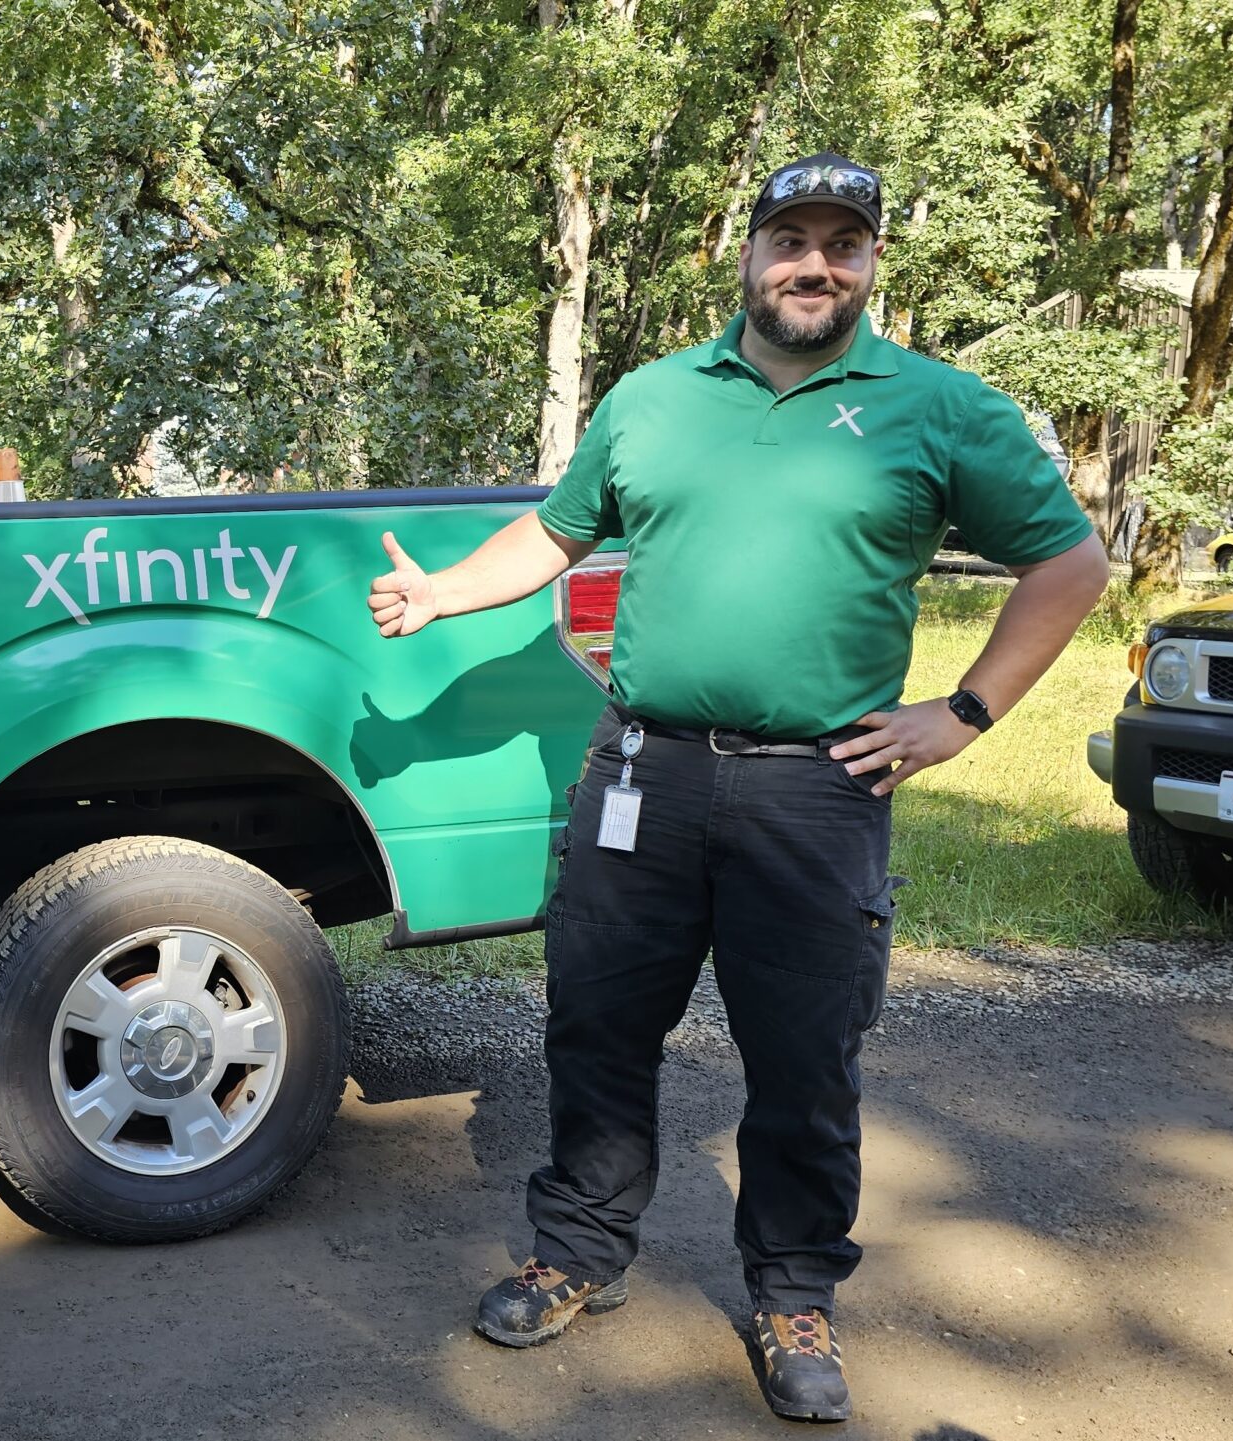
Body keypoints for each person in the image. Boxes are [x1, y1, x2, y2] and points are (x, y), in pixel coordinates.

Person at [364, 152, 1109, 1424]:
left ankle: (793, 1288)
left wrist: (964, 711)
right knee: (595, 1025)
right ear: (747, 252)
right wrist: (443, 590)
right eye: (791, 238)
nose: (813, 263)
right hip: (639, 773)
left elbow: (1067, 561)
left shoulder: (940, 409)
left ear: (872, 261)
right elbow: (555, 532)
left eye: (843, 242)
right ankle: (579, 1251)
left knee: (804, 1056)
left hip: (816, 790)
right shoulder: (652, 398)